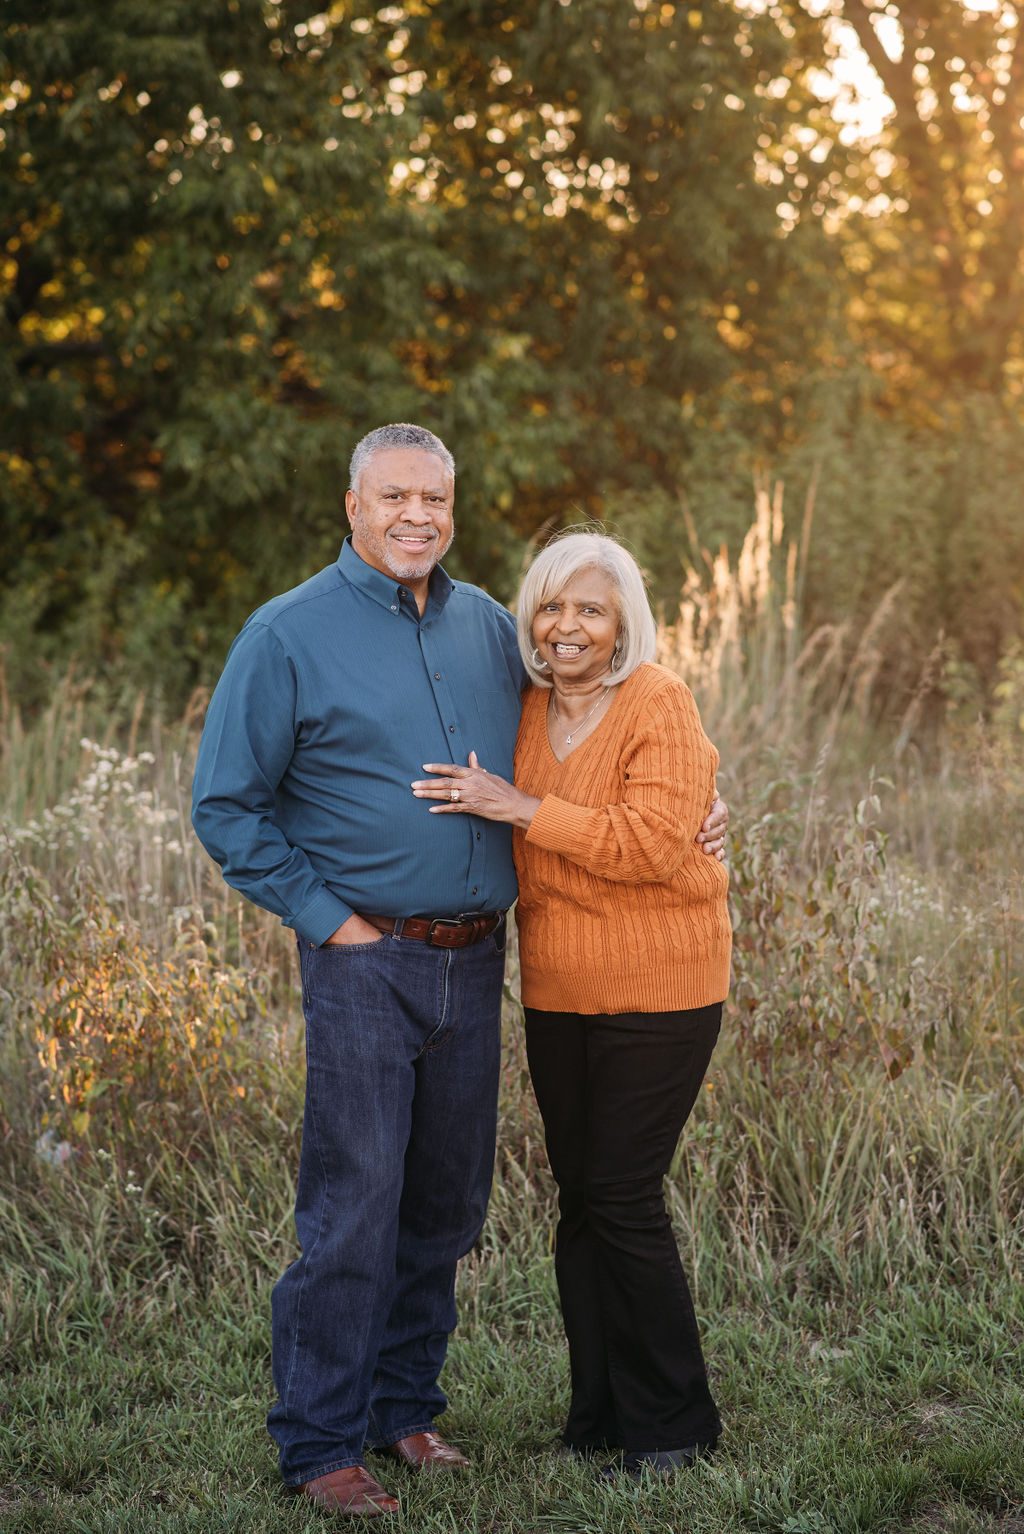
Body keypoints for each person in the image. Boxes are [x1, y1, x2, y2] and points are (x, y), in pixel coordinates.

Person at [192, 426, 728, 1519]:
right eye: (394, 497)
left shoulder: (491, 626)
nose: (416, 516)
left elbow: (596, 719)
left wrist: (700, 806)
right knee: (354, 1205)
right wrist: (329, 922)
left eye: (434, 499)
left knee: (444, 1203)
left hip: (478, 961)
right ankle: (320, 1442)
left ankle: (404, 1407)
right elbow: (226, 806)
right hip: (365, 959)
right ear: (353, 505)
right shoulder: (287, 633)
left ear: (453, 509)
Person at [412, 530, 731, 1481]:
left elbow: (653, 844)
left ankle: (674, 1425)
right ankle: (597, 1416)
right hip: (558, 988)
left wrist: (516, 806)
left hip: (662, 987)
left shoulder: (657, 700)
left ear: (623, 621)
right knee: (583, 1201)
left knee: (624, 1194)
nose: (567, 626)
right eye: (551, 606)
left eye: (590, 608)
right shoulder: (523, 707)